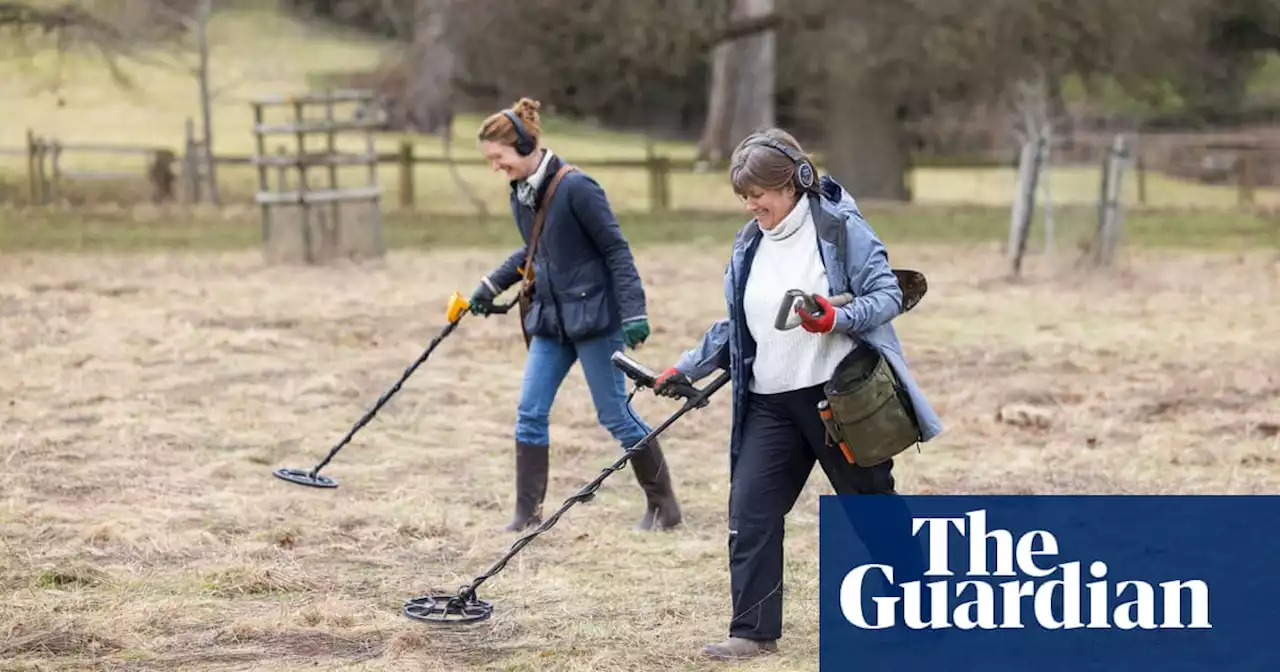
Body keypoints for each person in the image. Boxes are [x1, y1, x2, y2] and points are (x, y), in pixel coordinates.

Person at [652, 128, 944, 660]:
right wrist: (687, 366)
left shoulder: (840, 229)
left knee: (870, 507)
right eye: (744, 197)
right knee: (751, 511)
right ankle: (753, 631)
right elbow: (739, 322)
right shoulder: (749, 243)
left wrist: (837, 316)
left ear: (795, 183)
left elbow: (886, 294)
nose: (751, 205)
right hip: (770, 402)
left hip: (841, 401)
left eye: (759, 194)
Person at [467, 97, 682, 534]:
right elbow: (533, 252)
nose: (495, 166)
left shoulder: (577, 188)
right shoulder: (522, 194)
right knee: (529, 411)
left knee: (615, 415)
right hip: (551, 321)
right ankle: (526, 515)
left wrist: (634, 311)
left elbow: (615, 250)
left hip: (595, 321)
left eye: (499, 157)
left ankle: (664, 506)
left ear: (525, 144)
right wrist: (490, 286)